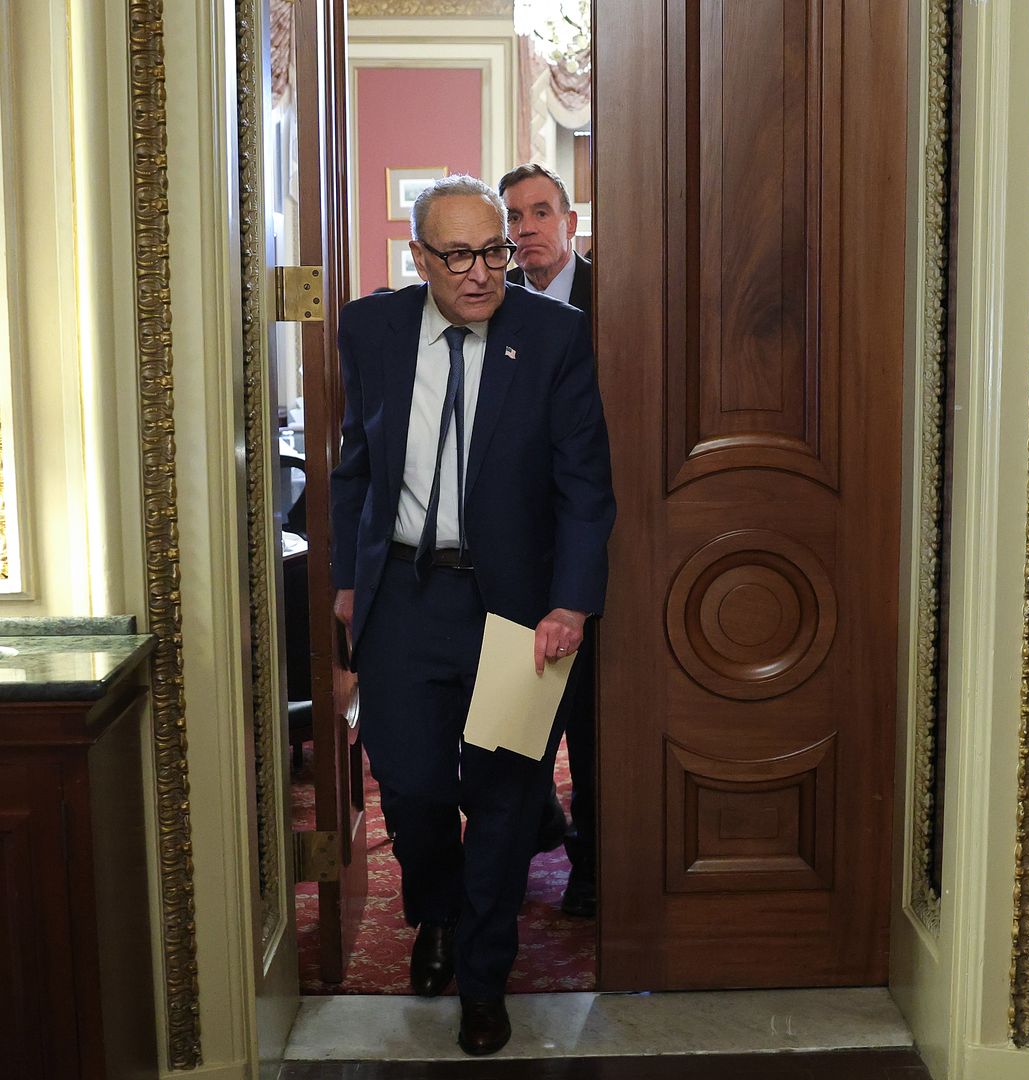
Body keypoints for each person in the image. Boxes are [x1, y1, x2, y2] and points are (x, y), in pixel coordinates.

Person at [329, 174, 614, 1055]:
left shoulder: (555, 334)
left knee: (503, 800)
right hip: (405, 601)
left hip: (518, 611)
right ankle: (437, 915)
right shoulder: (371, 327)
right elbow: (355, 467)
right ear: (419, 258)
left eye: (494, 250)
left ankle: (485, 977)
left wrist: (571, 601)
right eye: (458, 255)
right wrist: (348, 578)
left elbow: (584, 484)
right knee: (411, 788)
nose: (484, 272)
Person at [499, 162, 599, 918]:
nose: (526, 228)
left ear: (569, 222)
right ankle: (539, 826)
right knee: (513, 721)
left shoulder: (611, 298)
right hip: (512, 547)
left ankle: (592, 866)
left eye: (540, 213)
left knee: (594, 722)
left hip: (592, 535)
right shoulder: (492, 308)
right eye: (515, 217)